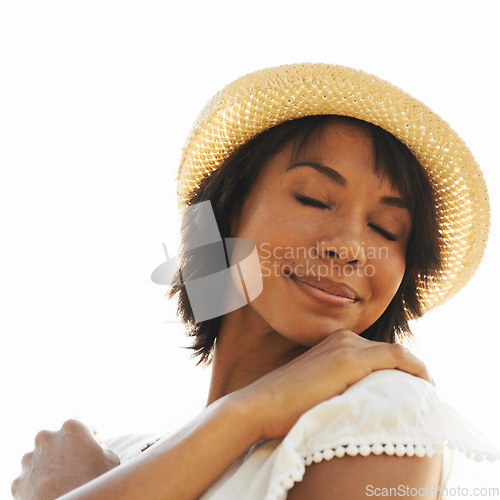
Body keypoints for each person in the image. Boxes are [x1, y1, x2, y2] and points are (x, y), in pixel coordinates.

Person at [12, 63, 499, 500]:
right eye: (312, 198)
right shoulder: (112, 455)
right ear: (227, 212)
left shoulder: (378, 415)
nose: (349, 245)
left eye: (386, 229)